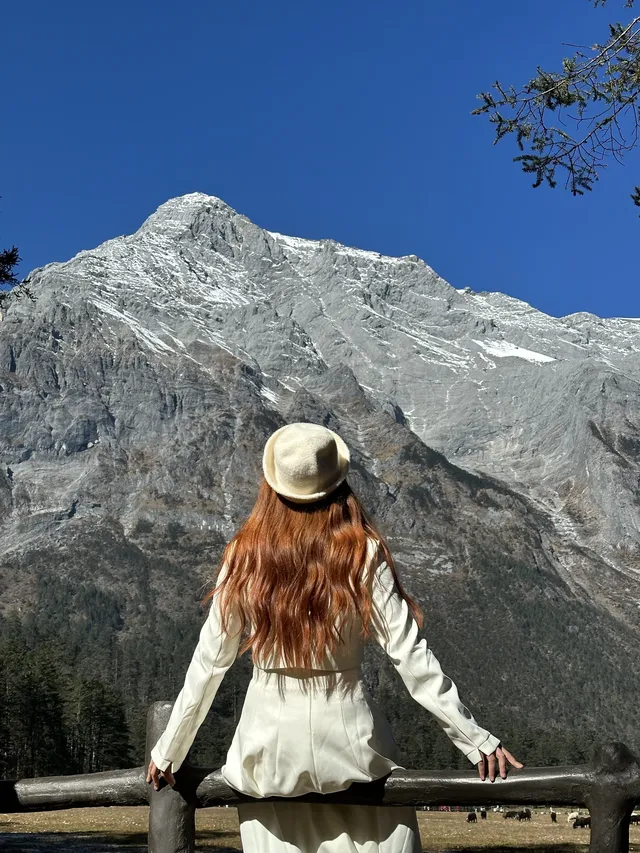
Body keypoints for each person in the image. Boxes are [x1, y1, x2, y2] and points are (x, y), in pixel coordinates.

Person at [146, 422, 523, 852]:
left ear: (272, 485)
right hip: (352, 752)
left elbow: (210, 662)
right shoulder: (361, 552)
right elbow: (409, 654)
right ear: (338, 484)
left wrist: (170, 748)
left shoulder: (244, 556)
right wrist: (474, 739)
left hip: (267, 756)